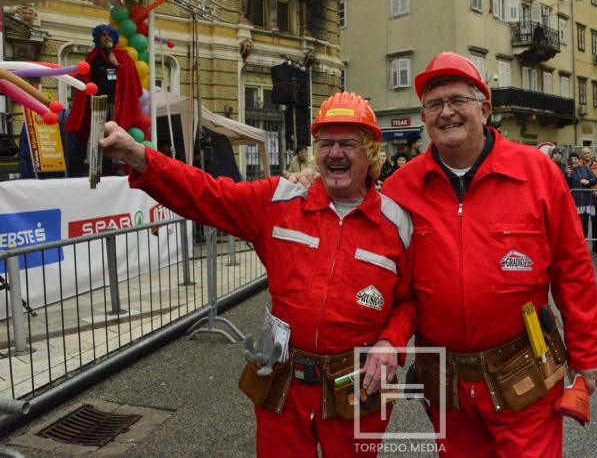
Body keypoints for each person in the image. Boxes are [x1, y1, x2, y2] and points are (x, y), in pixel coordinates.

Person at [99, 92, 415, 457]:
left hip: (357, 382)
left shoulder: (397, 223)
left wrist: (391, 342)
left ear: (372, 152)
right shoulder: (279, 200)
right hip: (279, 372)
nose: (335, 153)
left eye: (348, 143)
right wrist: (136, 156)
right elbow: (206, 193)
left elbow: (408, 300)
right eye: (326, 143)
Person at [380, 52, 597, 457]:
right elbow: (385, 278)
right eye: (434, 104)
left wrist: (587, 355)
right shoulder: (400, 188)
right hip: (446, 382)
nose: (446, 112)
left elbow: (573, 268)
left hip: (525, 372)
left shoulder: (537, 174)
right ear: (424, 116)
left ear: (484, 109)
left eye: (457, 100)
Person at [66, 24, 142, 178]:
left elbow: (133, 78)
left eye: (110, 35)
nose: (107, 37)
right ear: (98, 38)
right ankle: (94, 164)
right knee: (97, 133)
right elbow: (85, 80)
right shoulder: (92, 57)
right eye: (103, 35)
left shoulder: (122, 55)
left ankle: (119, 163)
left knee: (117, 132)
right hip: (97, 102)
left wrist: (118, 66)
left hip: (117, 103)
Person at [566, 151, 597, 236]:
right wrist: (568, 175)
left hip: (586, 201)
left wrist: (588, 181)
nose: (574, 161)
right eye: (572, 159)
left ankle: (584, 242)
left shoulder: (585, 168)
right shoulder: (568, 170)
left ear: (579, 160)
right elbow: (566, 185)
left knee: (585, 223)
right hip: (575, 201)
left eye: (575, 159)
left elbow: (595, 179)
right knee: (575, 224)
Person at [581, 147, 597, 253]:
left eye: (588, 153)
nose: (586, 155)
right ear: (582, 155)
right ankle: (582, 246)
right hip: (584, 199)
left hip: (596, 198)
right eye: (584, 153)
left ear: (591, 154)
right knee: (584, 223)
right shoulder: (579, 166)